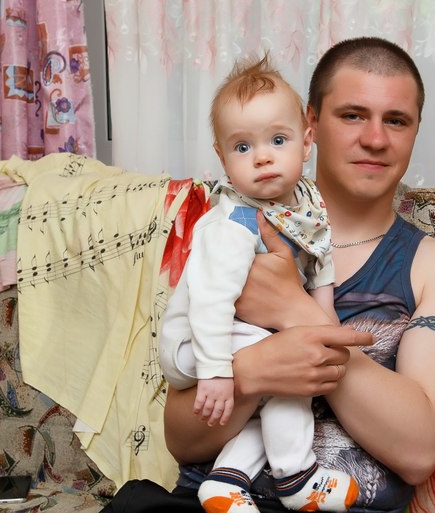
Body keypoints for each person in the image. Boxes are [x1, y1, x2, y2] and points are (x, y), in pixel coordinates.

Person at [161, 36, 435, 513]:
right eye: (353, 115)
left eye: (396, 120)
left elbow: (419, 451)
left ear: (416, 131)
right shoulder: (236, 229)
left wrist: (294, 310)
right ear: (310, 125)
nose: (375, 138)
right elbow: (180, 440)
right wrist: (253, 370)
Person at [158, 55, 359, 513]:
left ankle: (226, 481)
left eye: (278, 140)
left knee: (272, 389)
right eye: (243, 147)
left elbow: (321, 257)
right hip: (196, 341)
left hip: (234, 335)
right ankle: (296, 476)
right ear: (222, 158)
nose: (263, 156)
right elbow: (210, 301)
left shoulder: (305, 205)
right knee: (292, 364)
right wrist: (215, 372)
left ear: (306, 141)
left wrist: (323, 314)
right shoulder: (234, 223)